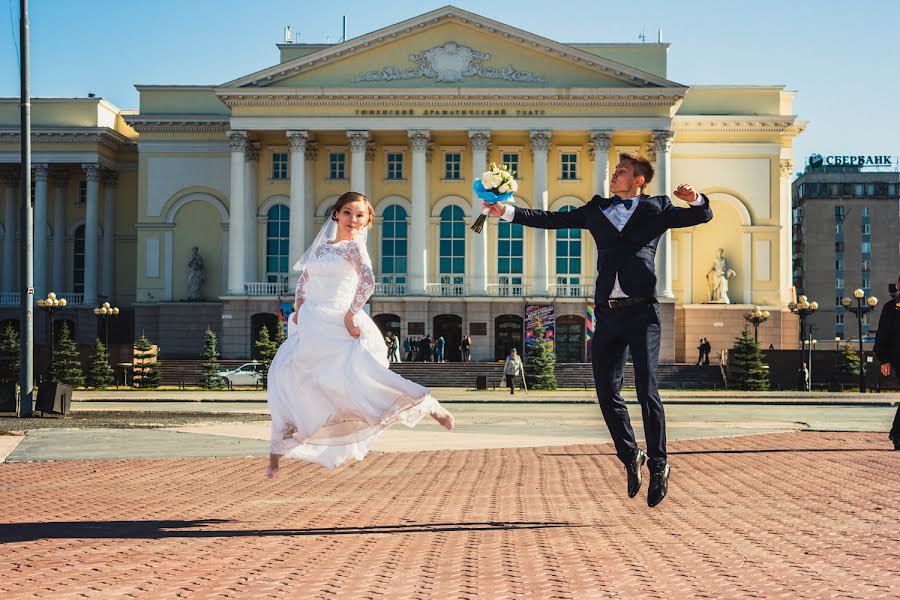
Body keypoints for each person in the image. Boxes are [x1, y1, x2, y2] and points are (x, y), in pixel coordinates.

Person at [485, 152, 713, 507]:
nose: (614, 175)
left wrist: (694, 198)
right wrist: (508, 212)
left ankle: (659, 462)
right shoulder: (596, 209)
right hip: (607, 314)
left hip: (643, 313)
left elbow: (702, 215)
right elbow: (551, 219)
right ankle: (630, 455)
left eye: (621, 171)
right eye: (615, 171)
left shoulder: (657, 208)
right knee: (606, 392)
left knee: (646, 390)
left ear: (639, 179)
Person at [266, 192, 454, 476]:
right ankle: (280, 449)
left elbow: (368, 282)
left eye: (359, 215)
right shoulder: (321, 249)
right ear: (336, 214)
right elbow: (304, 281)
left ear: (366, 222)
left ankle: (428, 405)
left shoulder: (355, 249)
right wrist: (299, 311)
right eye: (347, 213)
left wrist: (351, 314)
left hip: (339, 323)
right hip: (311, 324)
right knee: (289, 376)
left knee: (364, 378)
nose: (352, 219)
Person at [873, 274, 900, 450]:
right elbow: (883, 335)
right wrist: (884, 360)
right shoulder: (892, 308)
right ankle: (897, 434)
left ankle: (896, 433)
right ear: (898, 285)